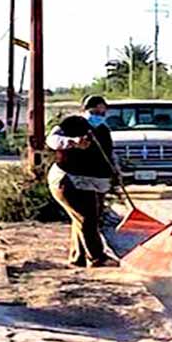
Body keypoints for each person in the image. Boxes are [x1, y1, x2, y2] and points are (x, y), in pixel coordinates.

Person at [46, 114, 115, 268]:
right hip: (68, 179)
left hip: (89, 182)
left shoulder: (103, 131)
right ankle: (97, 258)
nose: (98, 115)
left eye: (101, 111)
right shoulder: (72, 123)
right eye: (94, 110)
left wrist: (115, 169)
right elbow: (52, 140)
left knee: (84, 219)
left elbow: (109, 153)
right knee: (86, 218)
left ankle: (78, 258)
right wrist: (72, 142)